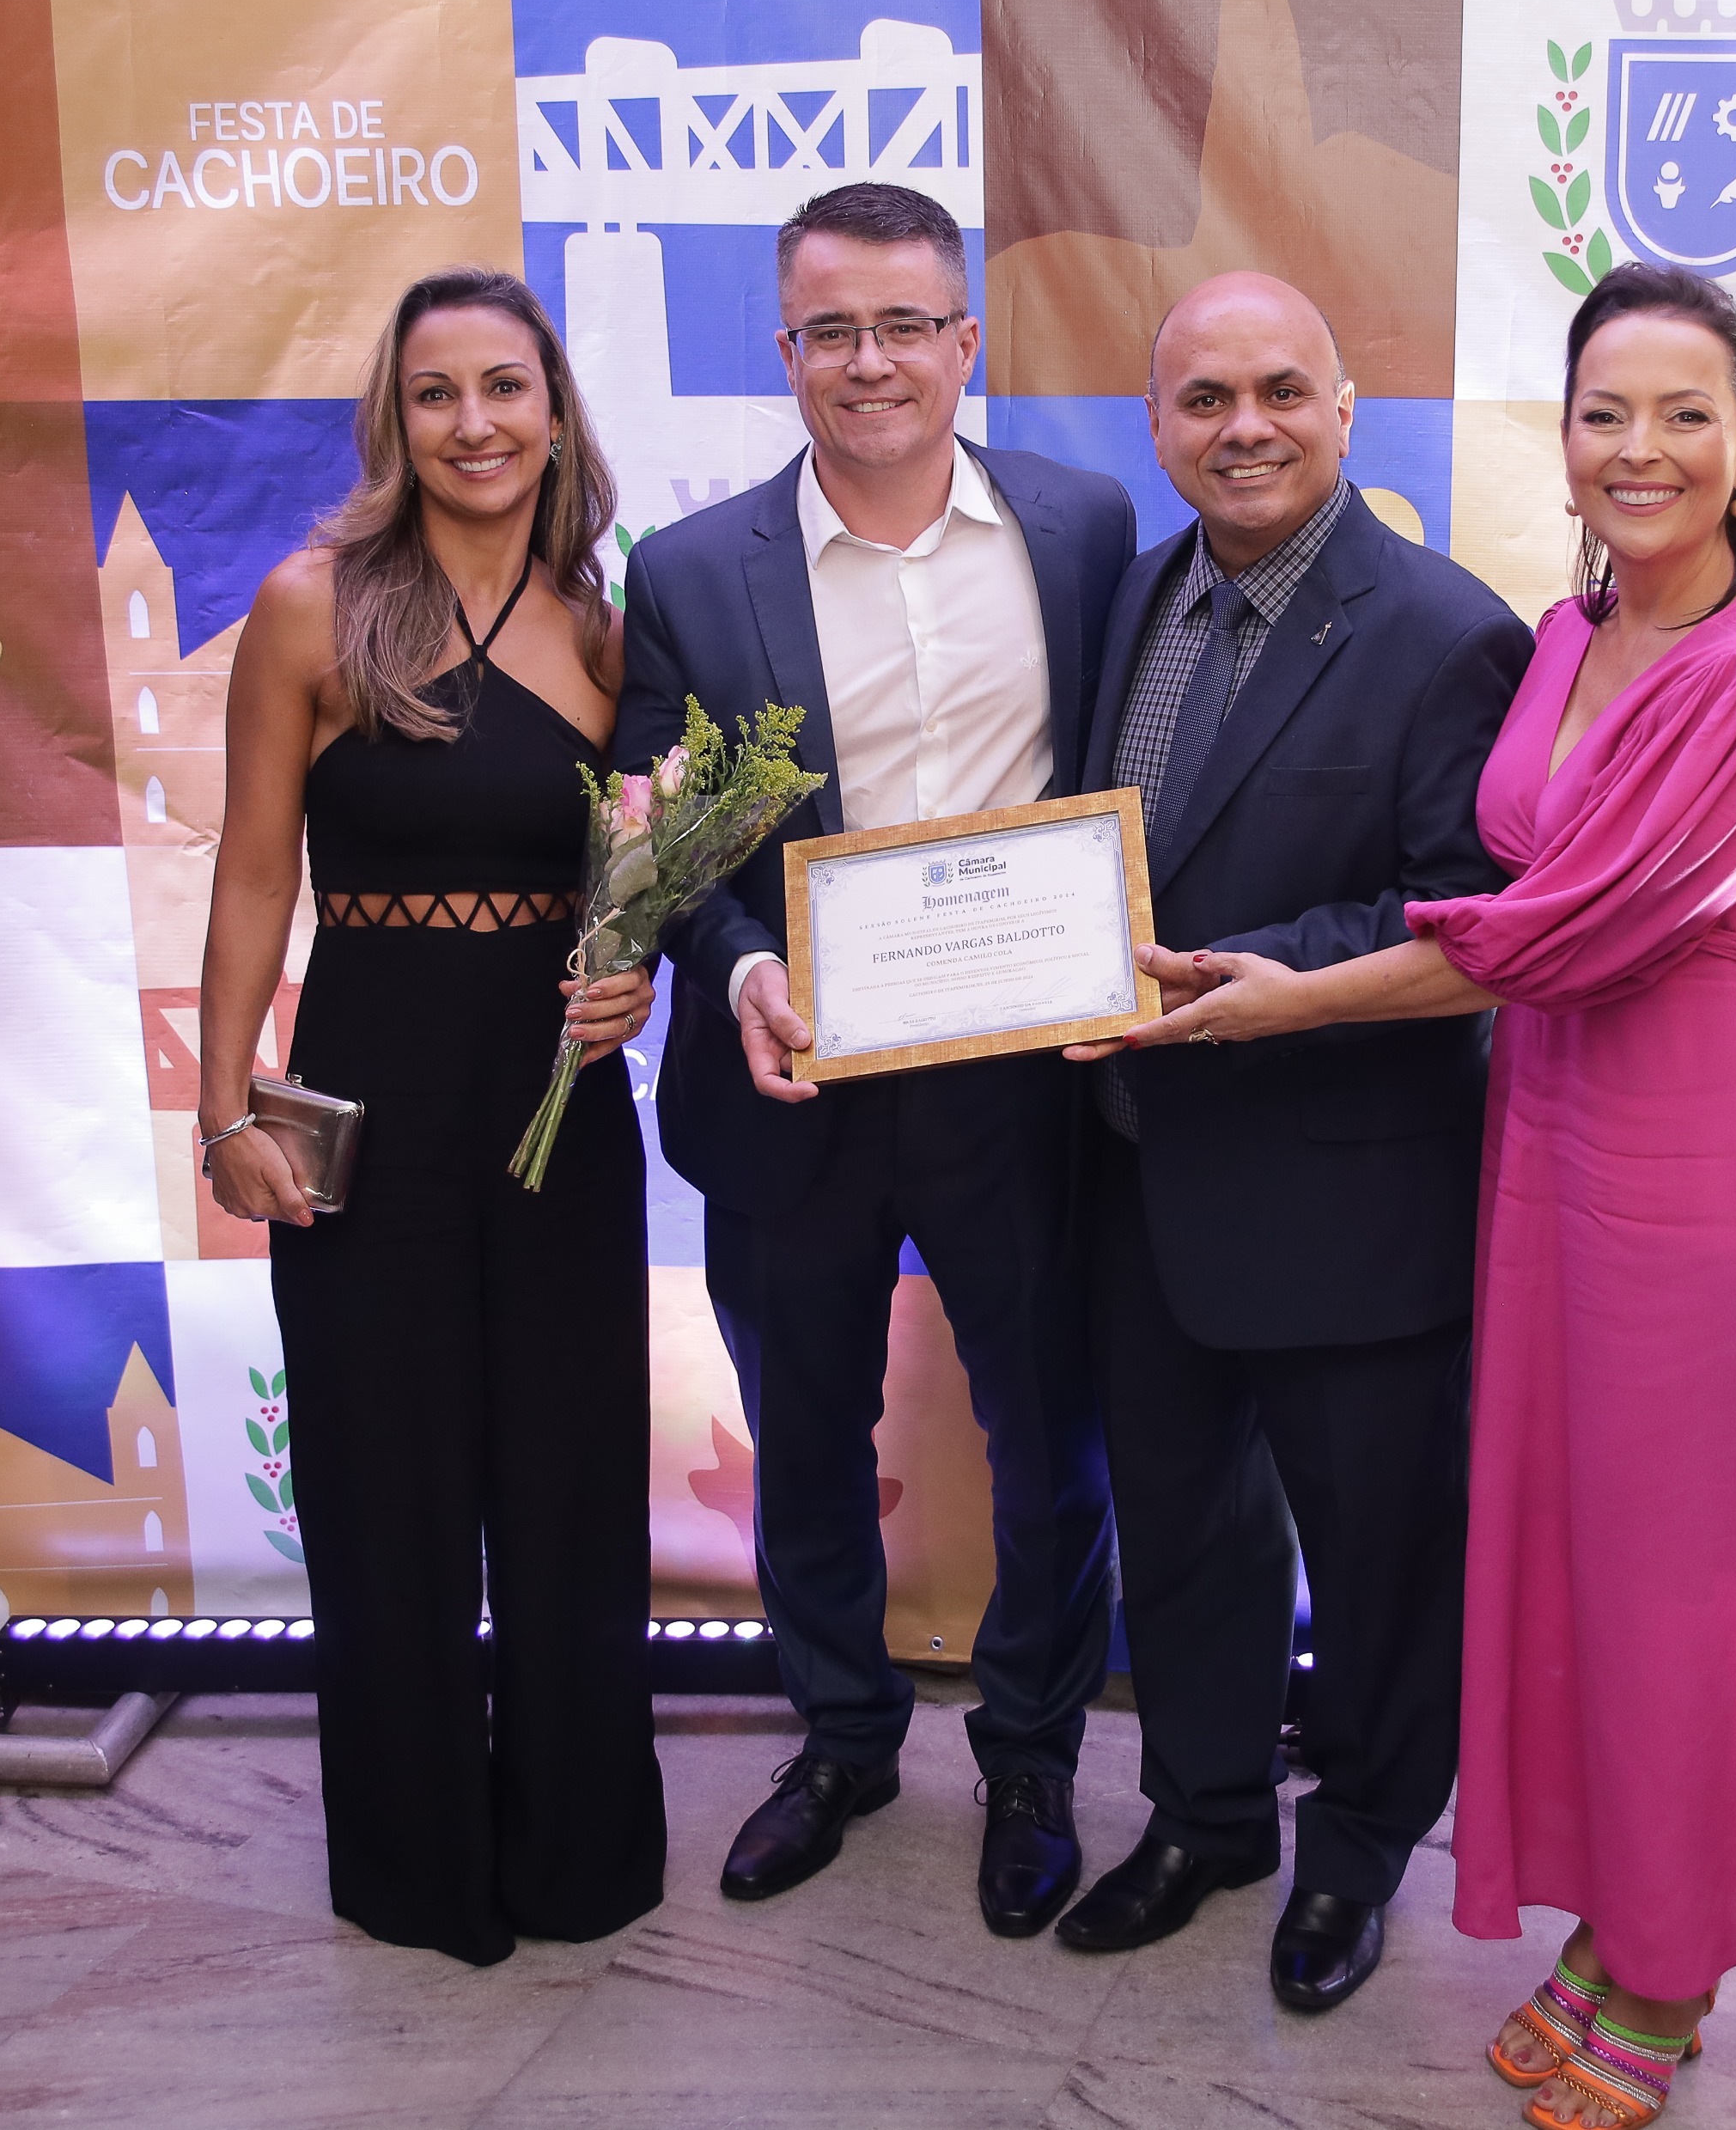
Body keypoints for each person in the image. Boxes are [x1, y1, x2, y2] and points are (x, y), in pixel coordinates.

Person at [1118, 262, 1736, 2120]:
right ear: (1560, 441)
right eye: (1603, 414)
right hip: (1550, 1147)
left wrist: (1282, 994)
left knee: (1698, 1581)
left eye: (1684, 416)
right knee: (1587, 1566)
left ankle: (1674, 1963)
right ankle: (1626, 1915)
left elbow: (1558, 931)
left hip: (1706, 1170)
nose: (1640, 449)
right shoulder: (1570, 633)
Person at [613, 183, 1138, 1936]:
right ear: (785, 351)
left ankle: (1033, 1756)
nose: (871, 360)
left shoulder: (1081, 528)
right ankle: (841, 1738)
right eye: (832, 328)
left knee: (1048, 1440)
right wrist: (740, 963)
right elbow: (661, 840)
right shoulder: (690, 574)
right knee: (806, 1440)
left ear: (964, 340)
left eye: (906, 323)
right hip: (795, 1085)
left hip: (1025, 1085)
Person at [1048, 272, 1532, 2014]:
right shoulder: (1130, 593)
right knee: (1183, 1535)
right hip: (1138, 1173)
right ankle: (1206, 1819)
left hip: (1348, 1195)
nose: (1241, 428)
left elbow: (1467, 919)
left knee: (1379, 1558)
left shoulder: (1445, 632)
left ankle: (1358, 1849)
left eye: (1277, 392)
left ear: (1343, 410)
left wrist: (1263, 976)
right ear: (1154, 424)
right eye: (1203, 400)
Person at [198, 266, 665, 1966]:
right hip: (366, 1104)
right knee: (382, 1487)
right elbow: (254, 874)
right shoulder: (311, 607)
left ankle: (576, 1855)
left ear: (555, 410)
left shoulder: (610, 630)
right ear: (394, 421)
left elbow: (640, 881)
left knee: (565, 1485)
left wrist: (637, 975)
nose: (475, 422)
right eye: (436, 392)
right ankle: (413, 1865)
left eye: (504, 387)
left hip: (556, 1115)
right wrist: (220, 1110)